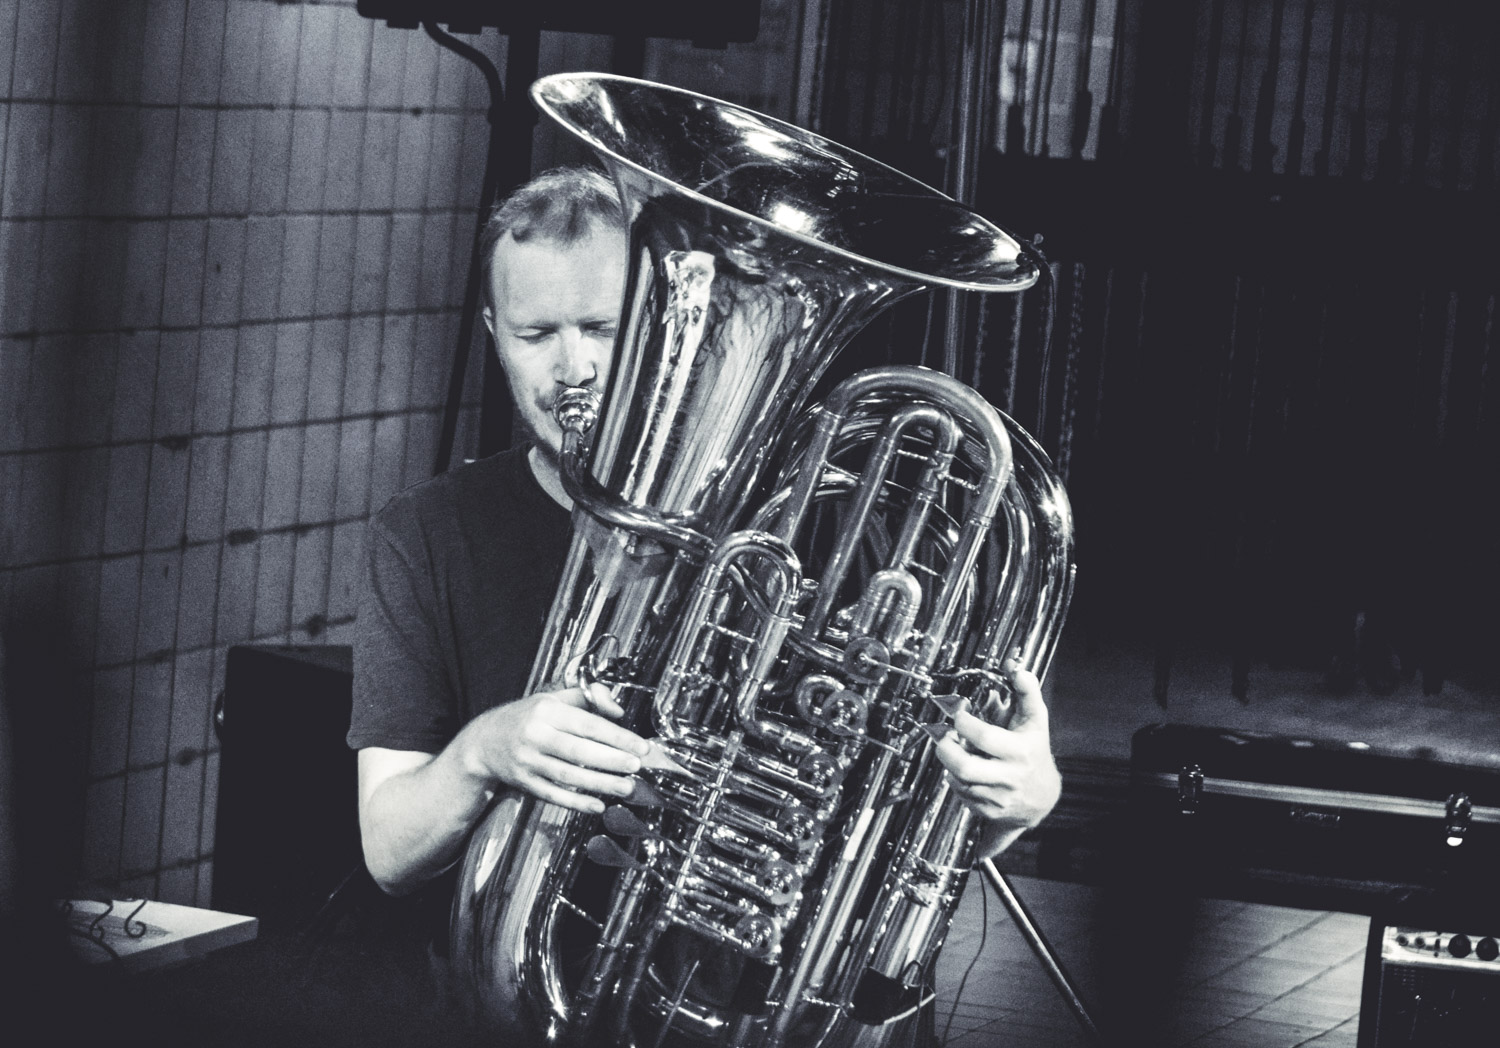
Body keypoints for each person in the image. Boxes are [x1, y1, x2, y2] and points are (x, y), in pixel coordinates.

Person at [348, 163, 1062, 1003]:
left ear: (666, 326)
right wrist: (484, 750)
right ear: (493, 332)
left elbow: (896, 823)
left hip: (780, 1008)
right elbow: (390, 855)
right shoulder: (427, 533)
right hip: (530, 1005)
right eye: (536, 334)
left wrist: (1016, 801)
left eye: (603, 328)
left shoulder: (834, 520)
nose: (572, 368)